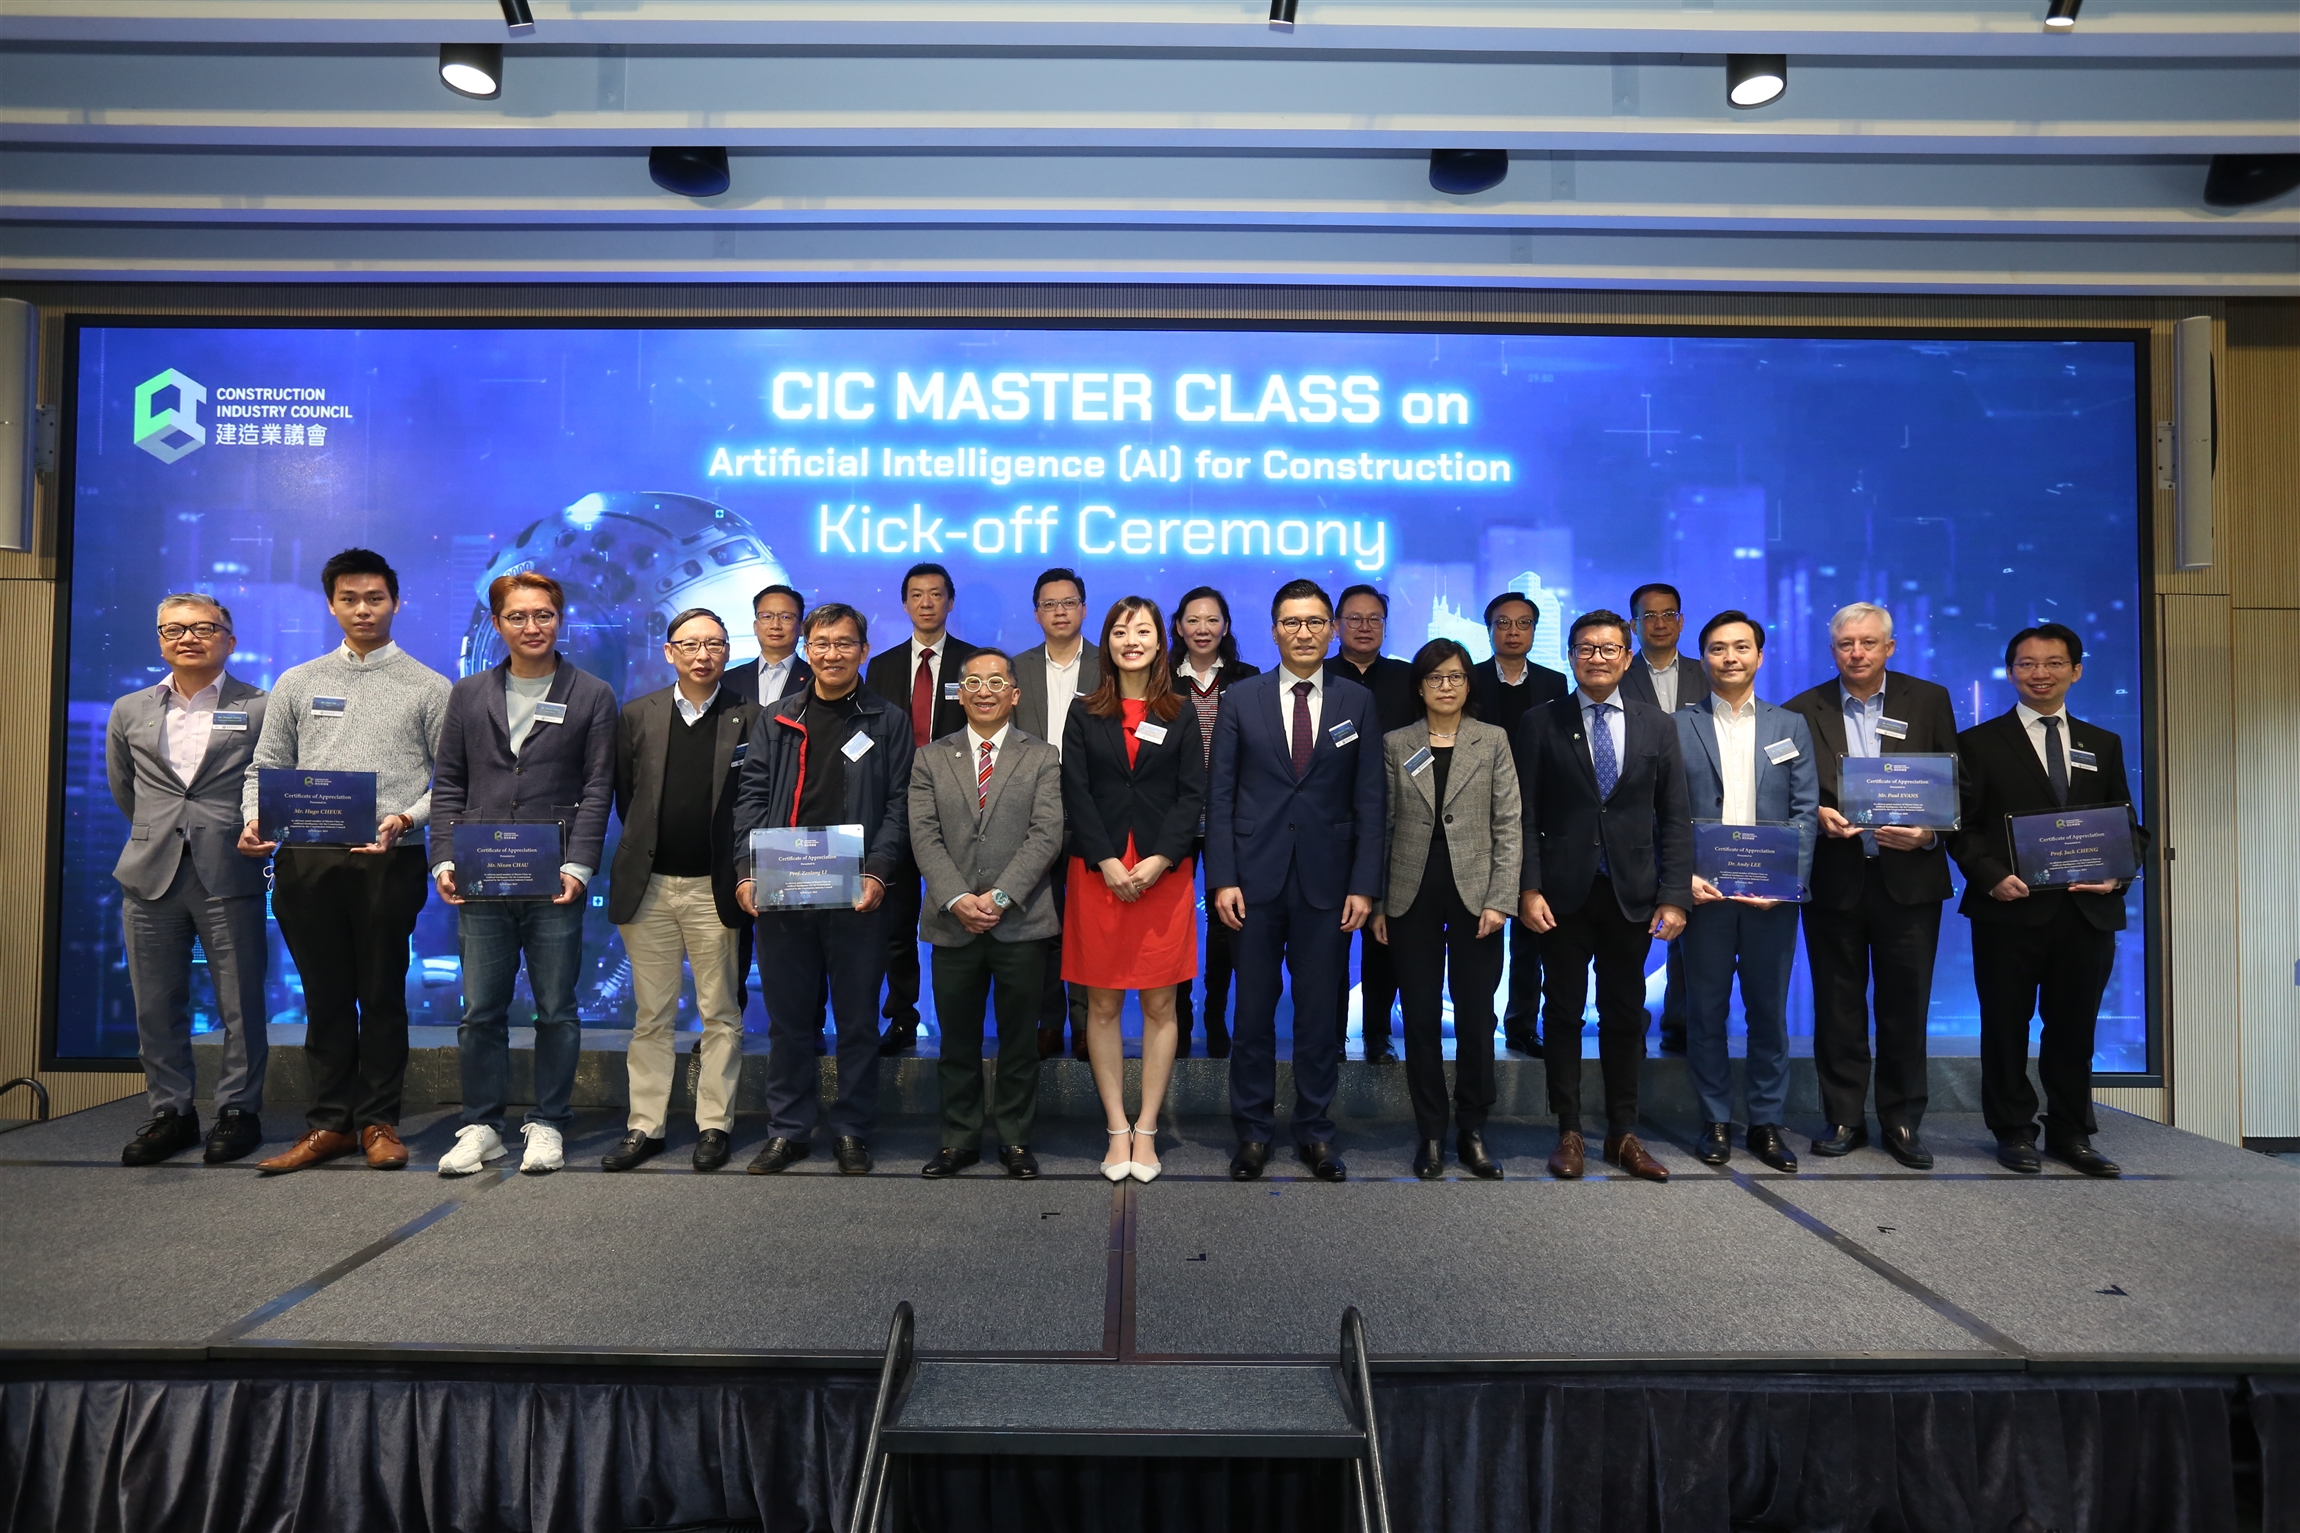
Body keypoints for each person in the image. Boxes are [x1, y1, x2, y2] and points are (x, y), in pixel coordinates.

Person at [241, 549, 449, 1175]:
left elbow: (451, 783)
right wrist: (254, 817)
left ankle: (379, 1122)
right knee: (325, 997)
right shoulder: (298, 681)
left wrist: (405, 818)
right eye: (350, 599)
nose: (363, 610)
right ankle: (329, 1124)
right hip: (307, 859)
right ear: (332, 605)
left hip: (389, 858)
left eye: (375, 598)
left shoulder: (430, 686)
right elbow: (265, 767)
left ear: (396, 603)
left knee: (382, 994)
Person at [428, 572, 619, 1178]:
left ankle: (550, 1121)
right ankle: (481, 1126)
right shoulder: (468, 694)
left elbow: (598, 788)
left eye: (543, 615)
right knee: (480, 1010)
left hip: (555, 877)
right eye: (517, 616)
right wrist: (443, 857)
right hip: (480, 874)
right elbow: (448, 782)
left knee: (556, 1009)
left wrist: (579, 865)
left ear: (559, 620)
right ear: (497, 623)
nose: (532, 626)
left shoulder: (592, 694)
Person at [1951, 622, 2146, 1179]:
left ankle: (2071, 1131)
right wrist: (1990, 877)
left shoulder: (2101, 743)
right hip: (2008, 909)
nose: (2040, 674)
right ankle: (2013, 1130)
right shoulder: (1978, 743)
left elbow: (2125, 825)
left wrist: (2117, 875)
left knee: (2075, 1029)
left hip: (2086, 913)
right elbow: (1961, 827)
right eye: (2027, 664)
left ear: (2076, 671)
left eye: (2054, 663)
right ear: (2011, 672)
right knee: (2005, 1027)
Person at [1207, 579, 1384, 1183]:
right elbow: (1220, 795)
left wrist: (1364, 885)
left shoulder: (1357, 701)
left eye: (1313, 622)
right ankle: (1253, 1133)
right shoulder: (1241, 698)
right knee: (1252, 1014)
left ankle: (1315, 1132)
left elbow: (1370, 799)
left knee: (1318, 1017)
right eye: (1291, 622)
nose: (1303, 633)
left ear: (1331, 630)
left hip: (1328, 885)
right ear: (1274, 630)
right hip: (1252, 884)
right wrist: (1222, 878)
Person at [737, 602, 915, 1176]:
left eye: (843, 643)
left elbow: (901, 805)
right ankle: (788, 1130)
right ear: (806, 649)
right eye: (821, 643)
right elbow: (751, 797)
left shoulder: (887, 720)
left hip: (858, 892)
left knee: (858, 1021)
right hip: (784, 885)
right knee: (789, 1021)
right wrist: (747, 870)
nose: (831, 654)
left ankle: (852, 1129)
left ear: (863, 650)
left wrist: (878, 870)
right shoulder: (777, 717)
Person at [1780, 601, 1960, 1169]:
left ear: (1890, 647)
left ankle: (1902, 1120)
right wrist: (1818, 816)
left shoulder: (1928, 700)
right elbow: (1791, 793)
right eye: (1845, 644)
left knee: (1906, 1005)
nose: (1856, 653)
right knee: (1837, 1005)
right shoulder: (1801, 709)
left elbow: (1956, 785)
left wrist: (1930, 834)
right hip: (1836, 877)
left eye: (1867, 643)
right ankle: (1844, 1118)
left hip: (1910, 880)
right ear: (1832, 650)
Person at [1516, 609, 1692, 1183]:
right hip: (1560, 896)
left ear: (1626, 655)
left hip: (1632, 894)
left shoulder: (1656, 725)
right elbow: (1524, 816)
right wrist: (1527, 888)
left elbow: (1675, 817)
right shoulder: (1540, 722)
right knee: (1562, 1012)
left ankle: (1622, 1132)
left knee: (1624, 1014)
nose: (1597, 658)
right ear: (1570, 656)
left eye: (1609, 648)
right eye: (1586, 648)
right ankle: (1568, 1130)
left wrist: (1674, 896)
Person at [109, 594, 271, 1166]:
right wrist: (159, 833)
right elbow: (125, 788)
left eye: (203, 627)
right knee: (155, 1005)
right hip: (149, 873)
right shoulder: (130, 708)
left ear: (230, 639)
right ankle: (171, 1114)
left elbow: (270, 782)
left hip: (228, 869)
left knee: (241, 1003)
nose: (188, 638)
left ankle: (239, 1111)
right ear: (160, 641)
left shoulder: (260, 706)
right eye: (173, 629)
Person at [600, 608, 761, 1173]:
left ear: (727, 652)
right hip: (649, 887)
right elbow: (628, 796)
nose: (702, 654)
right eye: (689, 644)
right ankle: (644, 1126)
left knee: (720, 1012)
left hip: (715, 888)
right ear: (669, 652)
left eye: (714, 644)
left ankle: (714, 1125)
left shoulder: (751, 716)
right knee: (652, 1015)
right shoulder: (637, 714)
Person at [1063, 597, 1207, 1184]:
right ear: (1108, 642)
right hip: (1098, 873)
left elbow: (1192, 794)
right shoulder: (1083, 712)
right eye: (1121, 631)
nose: (1132, 641)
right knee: (1101, 1005)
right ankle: (1115, 1125)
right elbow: (1075, 791)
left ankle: (1146, 1128)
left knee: (1159, 1004)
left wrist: (1160, 858)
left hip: (1161, 876)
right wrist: (1105, 859)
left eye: (1142, 630)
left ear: (1159, 641)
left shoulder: (1181, 710)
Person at [910, 649, 1065, 1180]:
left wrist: (998, 898)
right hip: (952, 922)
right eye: (973, 682)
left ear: (1014, 694)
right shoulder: (931, 758)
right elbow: (923, 836)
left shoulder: (1041, 756)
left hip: (1020, 921)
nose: (984, 691)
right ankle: (958, 1139)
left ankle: (1016, 1139)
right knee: (957, 1040)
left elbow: (1046, 835)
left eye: (996, 682)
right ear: (959, 694)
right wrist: (958, 898)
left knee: (1020, 1041)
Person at [1672, 611, 1818, 1172]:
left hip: (1770, 901)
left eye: (1740, 647)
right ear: (1703, 657)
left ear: (1760, 655)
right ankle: (1714, 1119)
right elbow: (1665, 811)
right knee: (1705, 1012)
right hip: (1704, 896)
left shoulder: (1791, 725)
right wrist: (1680, 877)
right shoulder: (1677, 725)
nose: (1729, 657)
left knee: (1768, 1014)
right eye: (1717, 648)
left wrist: (1788, 882)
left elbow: (1805, 811)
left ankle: (1766, 1123)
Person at [1372, 639, 1521, 1180]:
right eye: (1435, 677)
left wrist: (1501, 898)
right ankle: (1431, 1132)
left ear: (1468, 683)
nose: (1446, 686)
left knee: (1477, 1017)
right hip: (1409, 891)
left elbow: (1509, 824)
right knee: (1419, 1016)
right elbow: (1383, 826)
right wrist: (1379, 902)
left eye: (1456, 676)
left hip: (1476, 893)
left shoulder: (1493, 739)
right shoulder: (1396, 743)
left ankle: (1473, 1130)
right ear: (1419, 686)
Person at [862, 562, 980, 1055]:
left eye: (935, 594)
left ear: (950, 601)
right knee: (897, 921)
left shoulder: (975, 662)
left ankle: (962, 1019)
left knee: (962, 913)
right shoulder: (882, 666)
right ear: (905, 603)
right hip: (898, 806)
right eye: (917, 594)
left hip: (962, 808)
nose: (926, 602)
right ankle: (903, 1016)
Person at [1469, 592, 1570, 1059]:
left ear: (1534, 630)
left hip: (1534, 815)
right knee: (1480, 928)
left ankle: (1522, 1025)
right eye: (1504, 623)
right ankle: (1476, 1025)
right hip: (1475, 814)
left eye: (1523, 623)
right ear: (1489, 629)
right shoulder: (1468, 678)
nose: (1513, 632)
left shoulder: (1554, 681)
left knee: (1532, 931)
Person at [1325, 584, 1417, 1063]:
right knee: (1332, 938)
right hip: (1331, 825)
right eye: (1354, 619)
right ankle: (1332, 1036)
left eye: (1374, 619)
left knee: (1386, 938)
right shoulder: (1317, 676)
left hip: (1398, 825)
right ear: (1336, 625)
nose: (1365, 627)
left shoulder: (1408, 678)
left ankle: (1378, 1034)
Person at [1619, 582, 1709, 1057]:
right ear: (1633, 624)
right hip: (1630, 819)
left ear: (1681, 620)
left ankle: (1681, 1025)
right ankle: (1628, 1027)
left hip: (1693, 816)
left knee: (1687, 926)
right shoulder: (1616, 671)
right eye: (1648, 615)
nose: (1659, 623)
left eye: (1668, 614)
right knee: (1627, 933)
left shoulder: (1707, 673)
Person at [1012, 566, 1098, 1060]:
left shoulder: (1109, 665)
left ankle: (1086, 1023)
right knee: (1040, 923)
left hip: (1093, 815)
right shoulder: (1016, 668)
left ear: (1083, 609)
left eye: (1068, 603)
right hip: (1030, 817)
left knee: (1086, 923)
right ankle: (1048, 1021)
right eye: (1050, 604)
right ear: (1036, 613)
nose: (1060, 611)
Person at [1169, 587, 1259, 1059]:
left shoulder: (1248, 679)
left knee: (1227, 921)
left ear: (1225, 626)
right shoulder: (1160, 678)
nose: (1202, 629)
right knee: (1173, 920)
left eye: (1212, 620)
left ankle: (1216, 1014)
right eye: (1193, 620)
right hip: (1174, 818)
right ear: (1178, 626)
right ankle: (1179, 1019)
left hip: (1231, 817)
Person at [721, 583, 812, 705]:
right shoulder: (728, 680)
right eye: (766, 616)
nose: (775, 625)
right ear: (755, 626)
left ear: (801, 628)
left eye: (785, 617)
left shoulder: (816, 680)